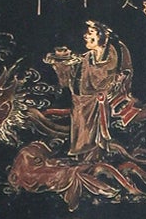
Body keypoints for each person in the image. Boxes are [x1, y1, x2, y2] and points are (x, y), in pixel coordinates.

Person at [47, 21, 132, 159]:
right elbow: (72, 78)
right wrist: (62, 64)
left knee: (86, 111)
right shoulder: (87, 57)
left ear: (102, 36)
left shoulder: (112, 55)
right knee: (79, 108)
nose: (86, 36)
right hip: (81, 101)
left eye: (91, 33)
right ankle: (81, 155)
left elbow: (102, 79)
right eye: (86, 33)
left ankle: (94, 156)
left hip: (98, 101)